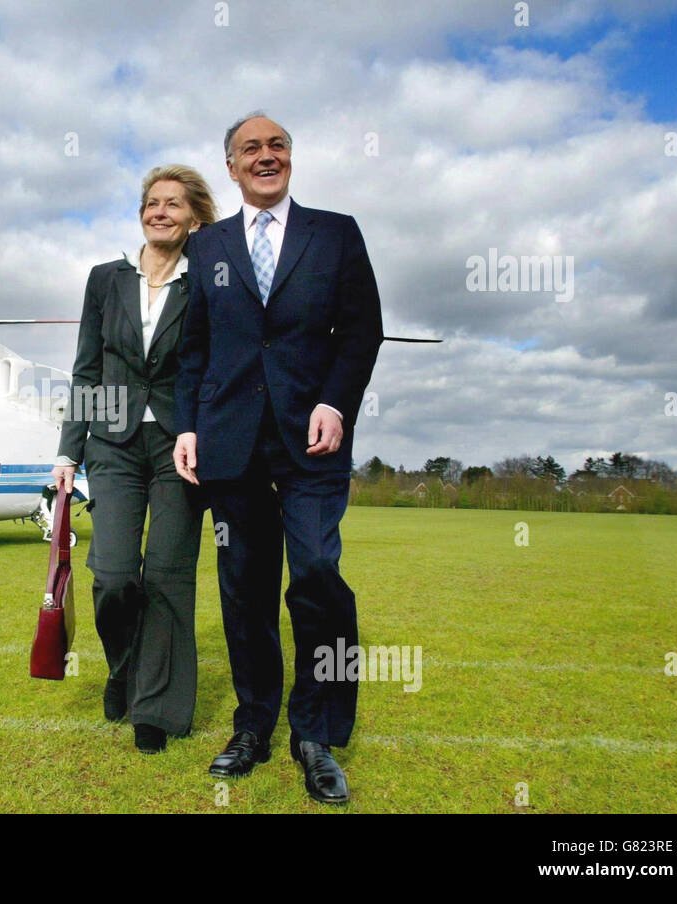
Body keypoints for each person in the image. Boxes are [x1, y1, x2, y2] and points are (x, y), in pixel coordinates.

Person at [173, 112, 383, 802]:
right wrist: (187, 427)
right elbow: (194, 350)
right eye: (251, 150)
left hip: (312, 439)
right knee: (245, 591)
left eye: (278, 147)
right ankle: (254, 724)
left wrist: (335, 403)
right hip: (230, 445)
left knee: (318, 572)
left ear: (290, 157)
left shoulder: (337, 233)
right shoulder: (207, 248)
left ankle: (316, 732)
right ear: (230, 168)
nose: (267, 157)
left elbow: (362, 332)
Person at [52, 164, 218, 753]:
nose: (160, 211)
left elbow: (215, 367)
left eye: (174, 204)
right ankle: (123, 667)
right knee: (116, 575)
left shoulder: (205, 284)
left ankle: (158, 710)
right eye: (152, 202)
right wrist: (69, 452)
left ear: (195, 218)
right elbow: (86, 369)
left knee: (169, 577)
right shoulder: (106, 279)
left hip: (180, 445)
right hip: (113, 445)